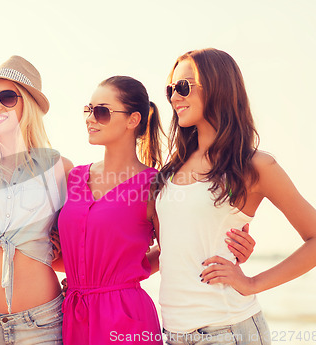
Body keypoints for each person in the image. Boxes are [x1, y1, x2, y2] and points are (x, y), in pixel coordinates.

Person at [57, 75, 256, 345]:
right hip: (74, 313)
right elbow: (66, 252)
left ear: (133, 120)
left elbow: (174, 250)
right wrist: (80, 277)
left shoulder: (156, 185)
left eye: (101, 112)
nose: (90, 118)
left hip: (124, 317)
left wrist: (233, 248)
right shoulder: (74, 178)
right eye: (88, 110)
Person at [155, 48, 316, 345]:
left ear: (218, 87)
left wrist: (251, 282)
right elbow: (172, 246)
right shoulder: (170, 170)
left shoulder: (256, 166)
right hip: (173, 333)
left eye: (183, 87)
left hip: (228, 331)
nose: (174, 97)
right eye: (171, 89)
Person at [0, 56, 73, 345]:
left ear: (27, 105)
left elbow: (77, 238)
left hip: (43, 321)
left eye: (7, 97)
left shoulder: (60, 168)